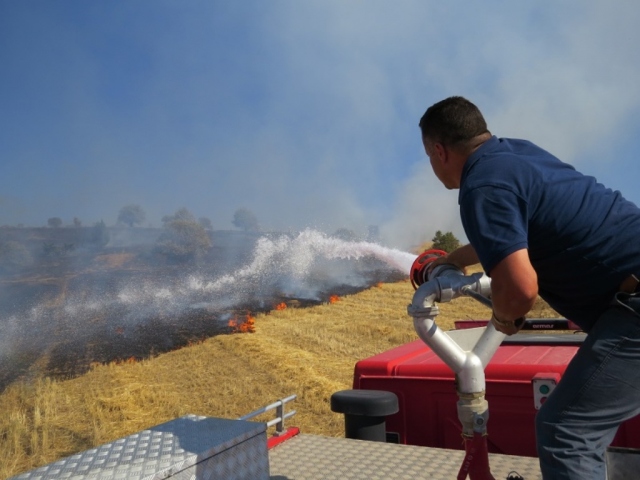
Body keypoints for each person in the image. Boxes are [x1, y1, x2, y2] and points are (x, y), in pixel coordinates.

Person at [419, 96, 640, 479]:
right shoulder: (516, 154)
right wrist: (452, 260)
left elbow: (521, 290)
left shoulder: (480, 186)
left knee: (566, 432)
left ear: (440, 151)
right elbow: (514, 232)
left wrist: (505, 319)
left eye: (429, 157)